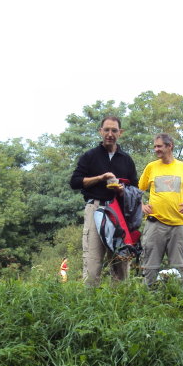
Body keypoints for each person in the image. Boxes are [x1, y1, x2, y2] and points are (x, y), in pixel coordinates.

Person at [69, 116, 139, 286]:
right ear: (100, 131)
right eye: (106, 130)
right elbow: (75, 182)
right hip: (96, 209)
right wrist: (100, 178)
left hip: (119, 214)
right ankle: (90, 306)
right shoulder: (90, 156)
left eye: (114, 130)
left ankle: (119, 307)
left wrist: (122, 190)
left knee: (120, 265)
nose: (110, 134)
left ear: (120, 133)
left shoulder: (126, 159)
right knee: (93, 265)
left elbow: (135, 189)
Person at [138, 133, 183, 286]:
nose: (156, 149)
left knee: (179, 268)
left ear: (170, 146)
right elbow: (136, 190)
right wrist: (141, 205)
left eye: (159, 146)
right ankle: (148, 301)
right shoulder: (151, 167)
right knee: (150, 267)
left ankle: (177, 302)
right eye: (155, 146)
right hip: (155, 224)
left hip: (179, 225)